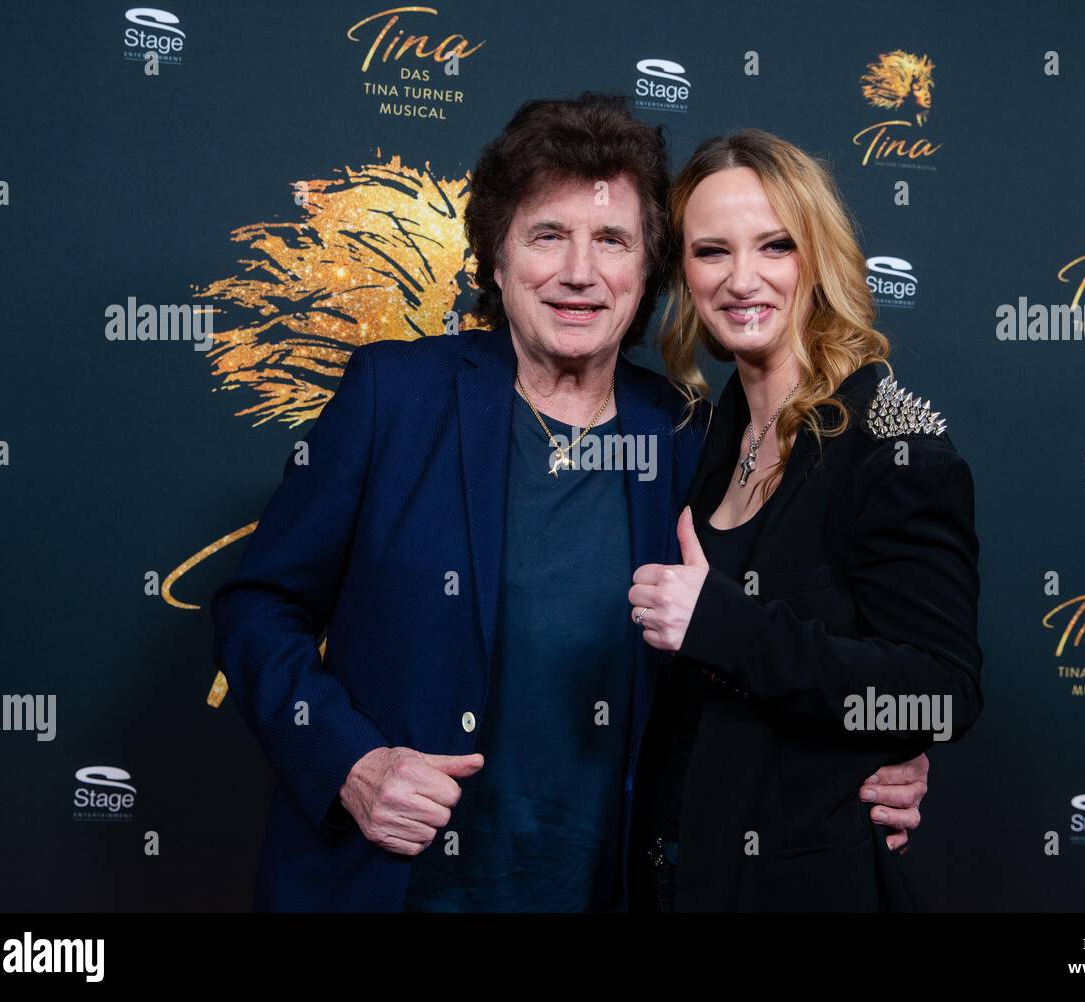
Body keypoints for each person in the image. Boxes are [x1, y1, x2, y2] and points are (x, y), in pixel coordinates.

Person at [212, 95, 927, 912]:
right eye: (548, 235)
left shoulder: (697, 438)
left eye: (612, 241)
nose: (580, 273)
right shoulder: (395, 397)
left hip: (615, 892)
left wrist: (874, 753)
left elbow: (779, 651)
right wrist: (349, 762)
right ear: (498, 255)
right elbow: (258, 608)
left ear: (651, 271)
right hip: (393, 887)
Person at [628, 129, 982, 911]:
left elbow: (942, 694)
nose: (741, 279)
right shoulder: (709, 436)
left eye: (775, 246)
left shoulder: (891, 444)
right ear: (683, 273)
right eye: (711, 251)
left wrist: (721, 623)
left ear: (817, 257)